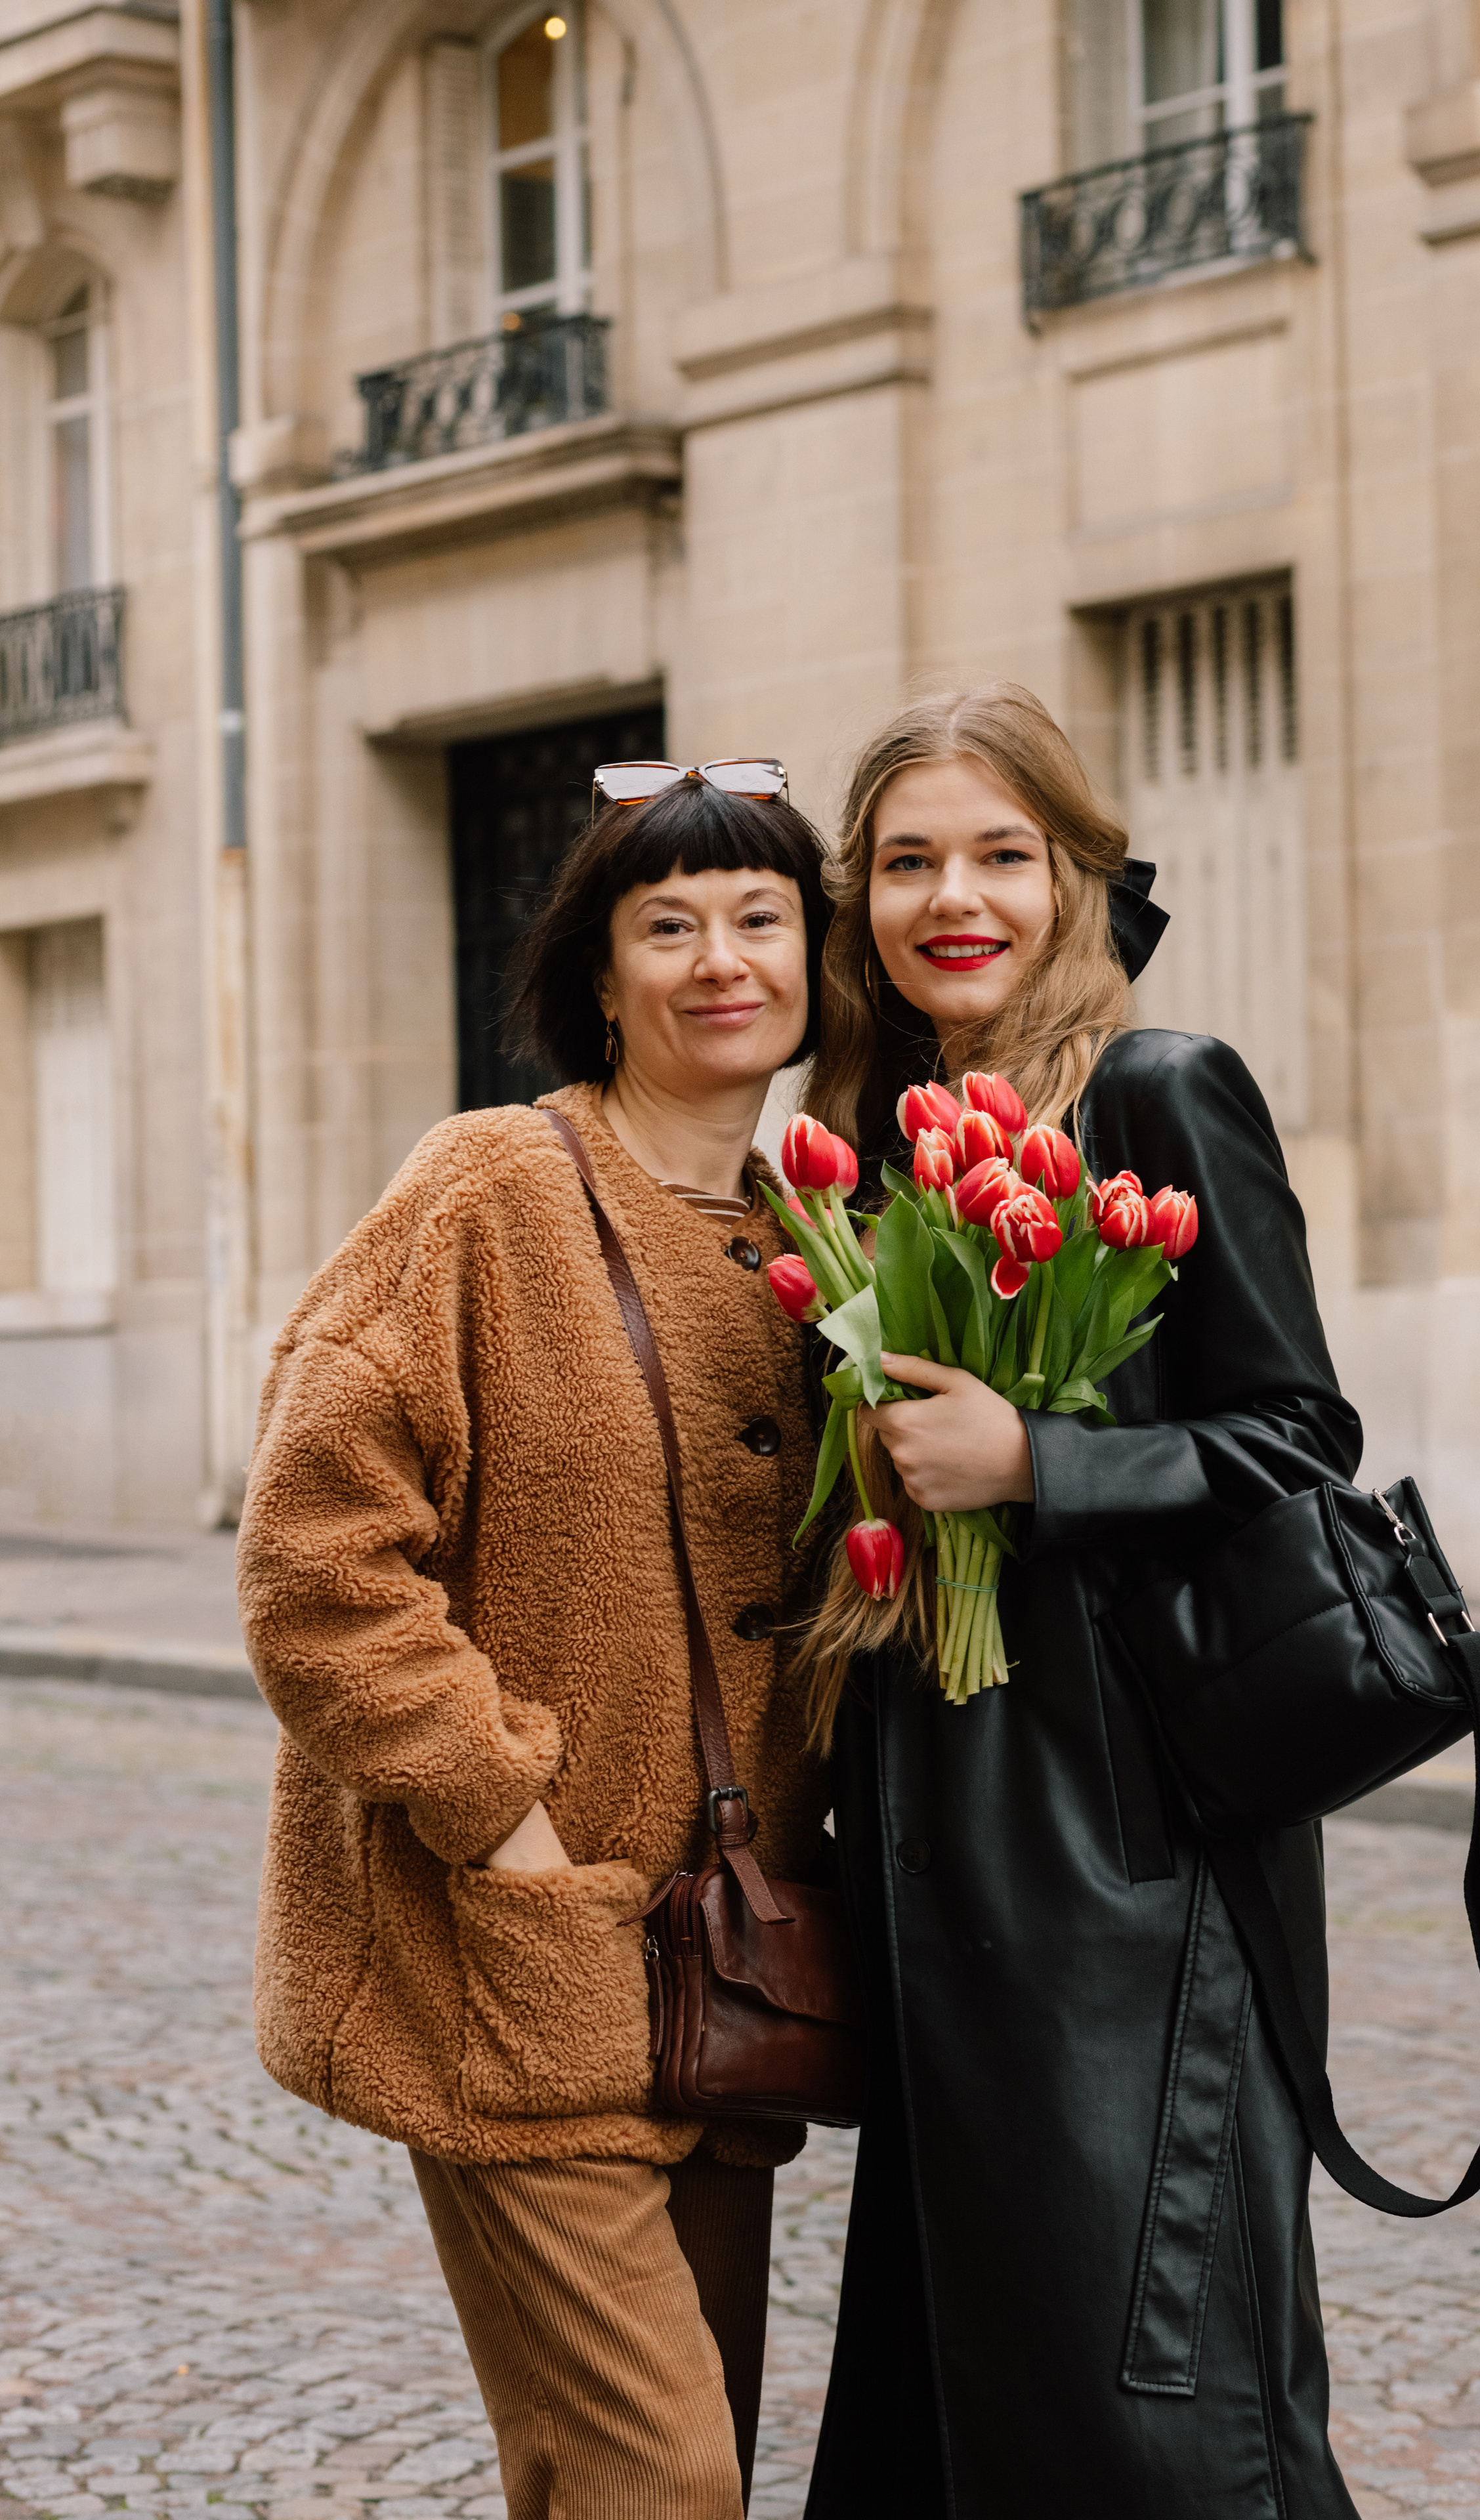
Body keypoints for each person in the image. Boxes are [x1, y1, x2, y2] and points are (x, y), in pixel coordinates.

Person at [236, 762, 834, 2520]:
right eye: (670, 925)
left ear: (814, 963)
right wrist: (508, 1827)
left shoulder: (830, 1239)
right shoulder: (491, 1187)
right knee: (663, 2481)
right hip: (518, 1955)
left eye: (759, 918)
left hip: (731, 1979)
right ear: (601, 973)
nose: (720, 958)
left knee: (629, 2460)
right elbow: (311, 1554)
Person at [798, 686, 1365, 2519]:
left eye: (999, 855)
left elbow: (1300, 1446)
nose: (952, 896)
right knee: (967, 2405)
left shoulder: (1155, 1090)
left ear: (1076, 876)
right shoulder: (874, 1135)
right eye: (906, 862)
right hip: (932, 1854)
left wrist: (1044, 1466)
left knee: (1156, 2417)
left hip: (1133, 1865)